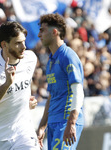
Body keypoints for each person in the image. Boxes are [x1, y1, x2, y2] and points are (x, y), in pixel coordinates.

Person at [0, 21, 40, 150]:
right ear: (4, 44)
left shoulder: (31, 58)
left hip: (24, 132)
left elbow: (23, 87)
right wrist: (6, 85)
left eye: (24, 41)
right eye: (18, 43)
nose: (24, 47)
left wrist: (24, 102)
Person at [37, 13, 84, 150]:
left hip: (65, 121)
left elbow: (78, 91)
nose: (39, 35)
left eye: (42, 30)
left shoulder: (68, 56)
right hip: (53, 122)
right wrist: (42, 126)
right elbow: (51, 97)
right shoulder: (50, 61)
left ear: (54, 32)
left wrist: (71, 123)